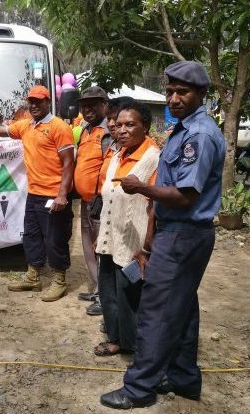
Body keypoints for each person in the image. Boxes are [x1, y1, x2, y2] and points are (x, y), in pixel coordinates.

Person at [100, 61, 226, 409]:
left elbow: (185, 195)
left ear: (201, 93)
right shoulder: (183, 129)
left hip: (184, 234)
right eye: (169, 91)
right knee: (182, 307)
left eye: (181, 92)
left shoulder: (198, 135)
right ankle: (183, 377)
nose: (173, 98)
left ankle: (139, 388)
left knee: (155, 310)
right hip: (178, 232)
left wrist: (141, 187)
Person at [0, 85, 75, 302]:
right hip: (34, 193)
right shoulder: (26, 126)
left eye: (39, 101)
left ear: (48, 102)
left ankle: (59, 281)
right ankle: (33, 277)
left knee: (55, 239)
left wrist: (62, 195)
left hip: (54, 195)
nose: (34, 105)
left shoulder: (59, 127)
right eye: (31, 101)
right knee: (31, 236)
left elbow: (68, 163)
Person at [93, 101, 159, 357]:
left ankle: (135, 346)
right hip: (111, 238)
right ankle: (116, 338)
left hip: (134, 244)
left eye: (130, 125)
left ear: (145, 127)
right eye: (118, 125)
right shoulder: (117, 155)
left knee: (131, 296)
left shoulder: (153, 158)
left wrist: (146, 247)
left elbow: (155, 207)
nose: (122, 130)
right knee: (109, 291)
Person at [72, 86, 112, 316]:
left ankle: (104, 295)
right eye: (84, 105)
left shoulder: (108, 132)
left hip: (101, 202)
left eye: (93, 105)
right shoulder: (85, 130)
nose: (88, 109)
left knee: (102, 247)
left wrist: (100, 195)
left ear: (105, 105)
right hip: (87, 202)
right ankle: (97, 287)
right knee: (88, 245)